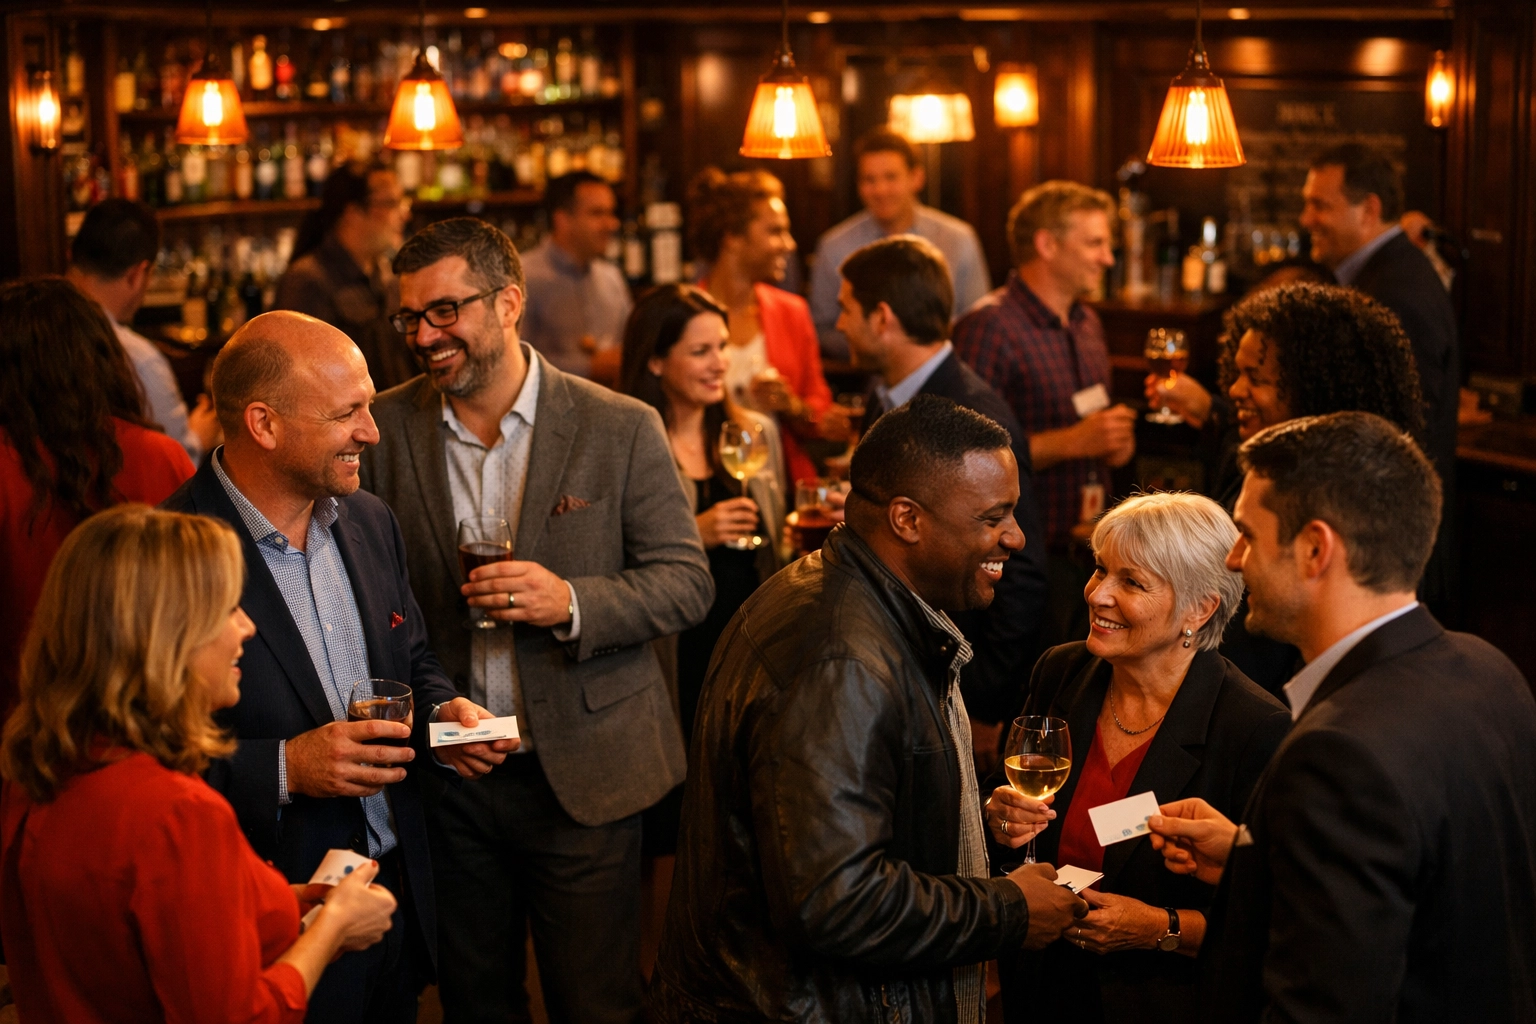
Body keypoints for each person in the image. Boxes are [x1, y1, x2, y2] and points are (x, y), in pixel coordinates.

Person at [361, 218, 714, 1024]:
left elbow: (687, 584)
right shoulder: (382, 429)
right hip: (451, 778)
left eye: (445, 312)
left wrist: (573, 601)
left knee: (596, 1003)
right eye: (410, 318)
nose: (425, 335)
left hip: (586, 774)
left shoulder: (619, 425)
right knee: (475, 1003)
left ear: (510, 302)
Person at [650, 395, 1088, 1024]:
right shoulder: (838, 660)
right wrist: (1008, 911)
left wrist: (966, 826)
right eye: (995, 517)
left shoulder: (845, 597)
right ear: (907, 518)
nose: (1015, 538)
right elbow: (834, 901)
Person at [162, 310, 511, 1024]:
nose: (371, 431)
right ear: (264, 424)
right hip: (266, 926)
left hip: (393, 898)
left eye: (370, 407)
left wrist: (445, 712)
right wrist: (287, 767)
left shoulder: (369, 519)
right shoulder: (171, 556)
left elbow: (409, 655)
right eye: (348, 412)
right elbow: (143, 767)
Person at [1148, 412, 1536, 1023]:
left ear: (1314, 549)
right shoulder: (1490, 671)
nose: (1233, 557)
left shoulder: (1338, 755)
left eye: (1248, 532)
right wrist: (1255, 860)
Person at [0, 504, 399, 1023]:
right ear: (168, 637)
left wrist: (289, 902)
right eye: (229, 606)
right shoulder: (179, 813)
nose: (247, 628)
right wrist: (332, 929)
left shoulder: (40, 769)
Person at [984, 492, 1290, 1023]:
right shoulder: (1061, 672)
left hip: (1158, 1001)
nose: (1098, 594)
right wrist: (999, 817)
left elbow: (1272, 921)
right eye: (1100, 570)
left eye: (1131, 582)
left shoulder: (1253, 728)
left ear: (1200, 608)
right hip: (1038, 987)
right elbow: (1003, 807)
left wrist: (1157, 928)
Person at [1141, 282, 1426, 695]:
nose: (1235, 390)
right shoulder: (1258, 465)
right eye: (1236, 374)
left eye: (1254, 377)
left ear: (1313, 387)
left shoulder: (1340, 503)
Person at [836, 235, 1048, 745]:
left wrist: (977, 700)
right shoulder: (887, 395)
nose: (838, 323)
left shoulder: (974, 416)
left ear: (881, 317)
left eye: (846, 309)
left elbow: (1023, 574)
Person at [955, 181, 1137, 653]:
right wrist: (1075, 441)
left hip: (1092, 552)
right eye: (1095, 243)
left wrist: (1114, 443)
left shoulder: (1087, 322)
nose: (1107, 258)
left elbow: (1093, 425)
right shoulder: (990, 326)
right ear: (1047, 244)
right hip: (1025, 561)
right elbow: (964, 459)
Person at [0, 277, 194, 714]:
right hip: (147, 716)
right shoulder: (160, 457)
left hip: (21, 724)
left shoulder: (6, 464)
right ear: (101, 358)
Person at [619, 283, 785, 747]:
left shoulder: (755, 433)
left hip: (752, 643)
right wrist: (696, 533)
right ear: (655, 360)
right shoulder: (627, 446)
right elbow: (608, 560)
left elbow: (778, 550)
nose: (720, 363)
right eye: (700, 351)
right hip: (673, 653)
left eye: (722, 347)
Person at [1298, 143, 1459, 617]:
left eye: (1319, 205)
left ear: (1368, 209)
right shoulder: (1382, 277)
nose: (1306, 219)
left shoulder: (1394, 293)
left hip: (1390, 554)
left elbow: (1399, 436)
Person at [689, 166, 845, 485]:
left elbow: (821, 411)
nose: (788, 244)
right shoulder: (685, 313)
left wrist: (790, 405)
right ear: (732, 237)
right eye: (774, 231)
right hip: (704, 482)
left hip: (780, 485)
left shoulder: (792, 311)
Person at [809, 128, 991, 360]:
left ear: (916, 178)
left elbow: (977, 323)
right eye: (869, 179)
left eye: (891, 177)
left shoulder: (959, 239)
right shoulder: (834, 246)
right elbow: (822, 328)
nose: (880, 190)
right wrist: (880, 350)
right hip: (868, 380)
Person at [66, 198, 220, 462]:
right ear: (138, 274)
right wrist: (198, 438)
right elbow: (174, 468)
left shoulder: (33, 329)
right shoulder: (139, 360)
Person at [274, 162, 417, 391]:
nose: (405, 214)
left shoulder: (388, 277)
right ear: (352, 212)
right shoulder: (308, 280)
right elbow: (299, 383)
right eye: (391, 203)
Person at [520, 170, 632, 382]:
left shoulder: (612, 278)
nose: (612, 224)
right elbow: (514, 362)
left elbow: (632, 345)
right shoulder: (523, 277)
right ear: (563, 220)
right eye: (598, 214)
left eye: (611, 213)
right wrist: (588, 368)